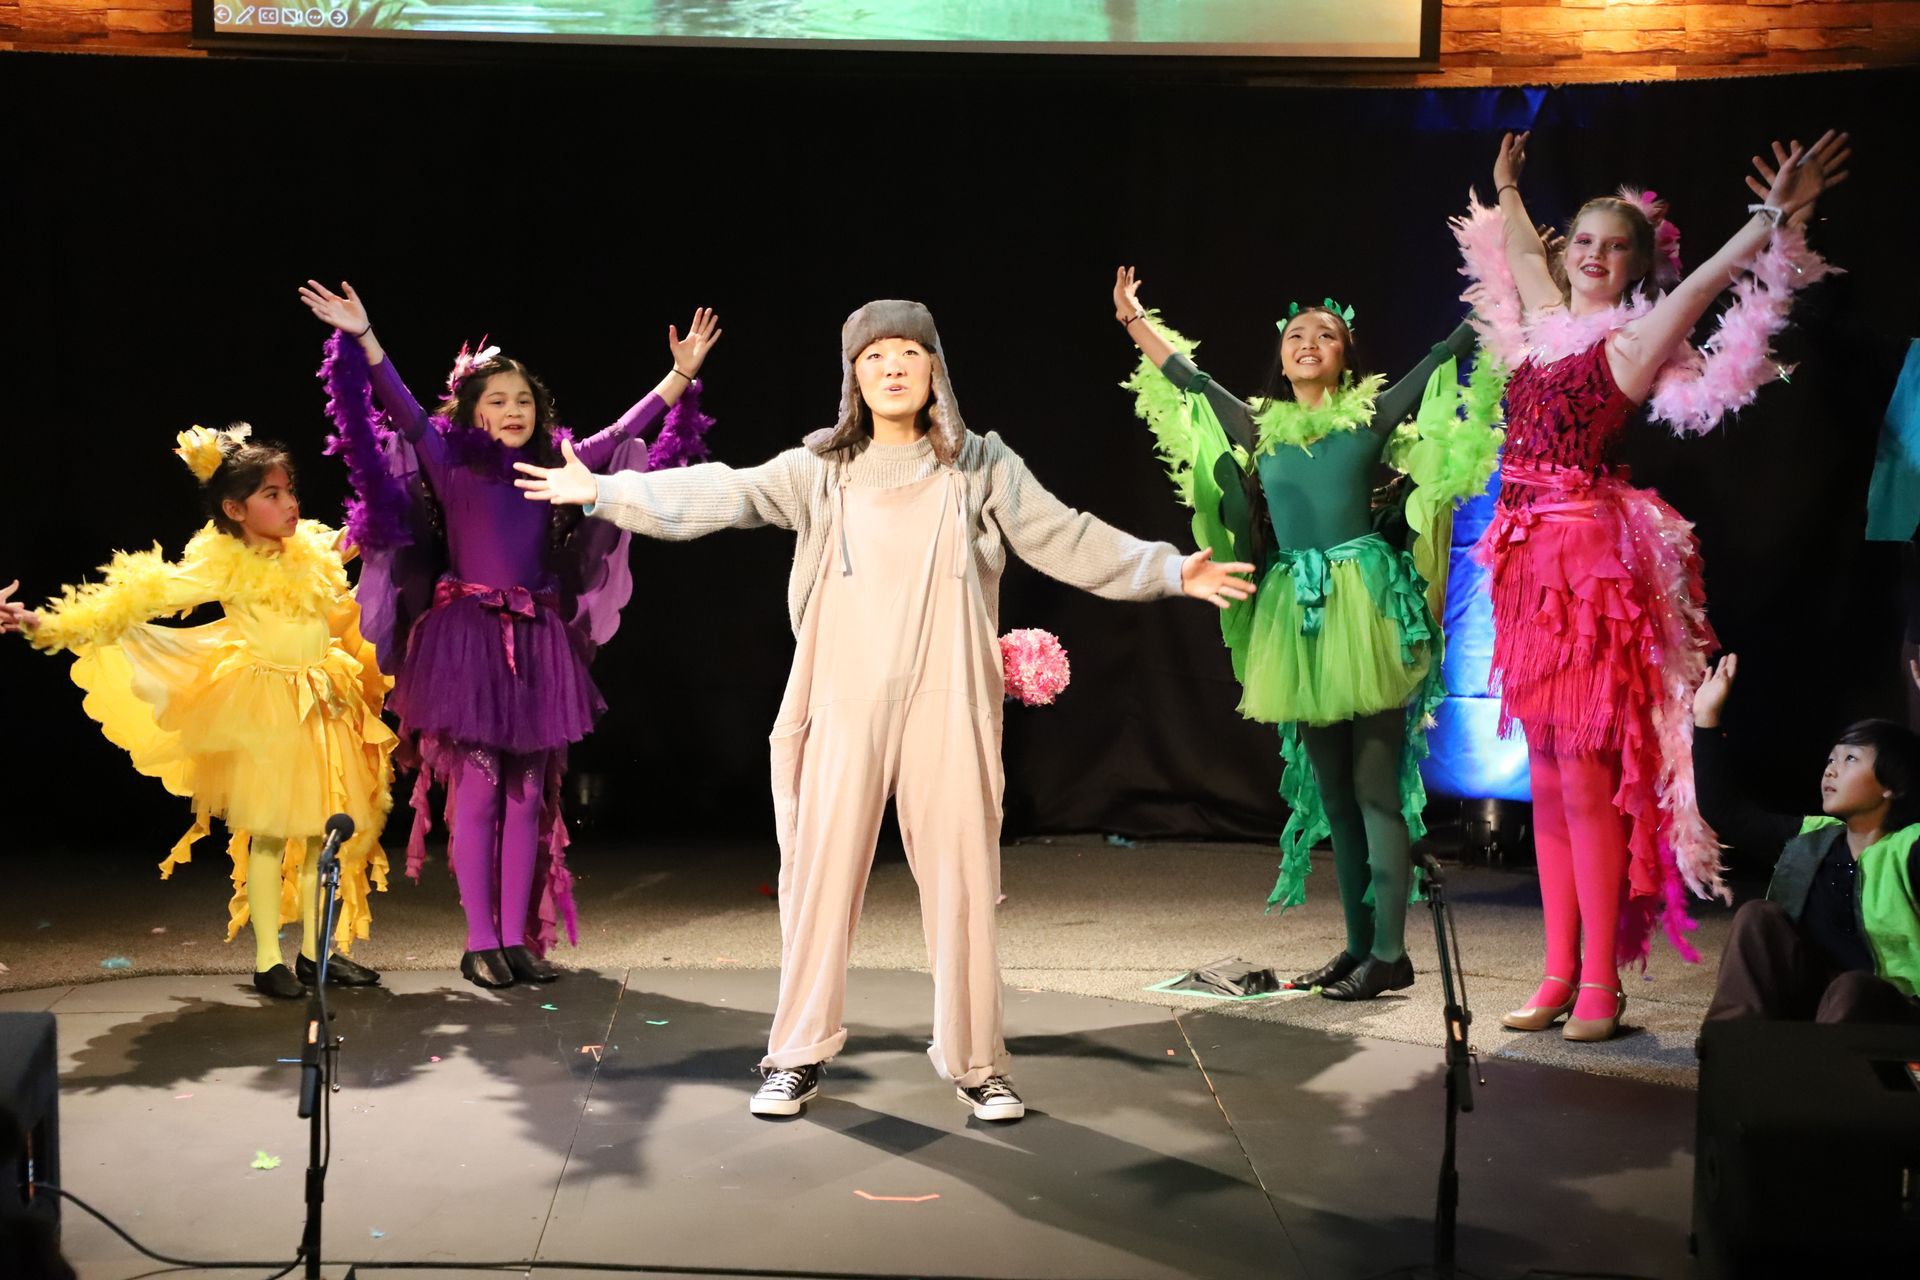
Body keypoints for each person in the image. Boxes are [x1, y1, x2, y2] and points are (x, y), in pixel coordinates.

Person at [514, 299, 1256, 1119]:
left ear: (936, 367)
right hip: (842, 693)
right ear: (853, 377)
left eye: (908, 351)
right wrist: (603, 491)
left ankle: (979, 1063)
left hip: (949, 694)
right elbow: (723, 492)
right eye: (874, 356)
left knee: (964, 881)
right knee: (819, 878)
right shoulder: (819, 468)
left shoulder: (980, 463)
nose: (893, 366)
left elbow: (1063, 534)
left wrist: (1166, 570)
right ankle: (797, 1055)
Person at [1457, 130, 1850, 1041]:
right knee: (1546, 777)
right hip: (1524, 569)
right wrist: (1508, 190)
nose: (1594, 255)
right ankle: (1556, 972)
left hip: (1585, 571)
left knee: (1588, 781)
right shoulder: (1545, 326)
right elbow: (1525, 258)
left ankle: (1601, 981)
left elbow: (1706, 282)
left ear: (1638, 265)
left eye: (1616, 245)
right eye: (1584, 241)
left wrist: (1770, 216)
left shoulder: (1632, 340)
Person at [301, 280, 720, 988]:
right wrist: (365, 336)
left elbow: (622, 432)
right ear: (471, 410)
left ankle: (515, 942)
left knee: (527, 794)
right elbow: (401, 408)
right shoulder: (448, 459)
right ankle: (479, 942)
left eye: (523, 400)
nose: (513, 410)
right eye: (497, 400)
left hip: (534, 640)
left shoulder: (555, 464)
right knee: (481, 790)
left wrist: (679, 376)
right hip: (467, 641)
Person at [1113, 269, 1502, 999]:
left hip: (1367, 610)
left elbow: (1445, 352)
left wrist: (1502, 287)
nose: (1309, 342)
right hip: (1300, 615)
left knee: (1375, 788)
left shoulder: (1372, 418)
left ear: (1346, 358)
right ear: (1281, 355)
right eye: (1296, 334)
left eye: (1327, 334)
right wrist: (1135, 321)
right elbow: (1189, 380)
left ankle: (1390, 950)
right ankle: (1359, 947)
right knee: (1335, 795)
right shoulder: (1258, 427)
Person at [2, 426, 393, 999]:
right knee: (268, 834)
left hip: (323, 701)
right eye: (272, 494)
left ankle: (316, 953)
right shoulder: (221, 564)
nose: (290, 503)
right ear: (235, 509)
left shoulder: (311, 548)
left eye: (290, 491)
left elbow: (360, 531)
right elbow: (141, 599)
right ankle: (268, 960)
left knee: (320, 836)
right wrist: (46, 622)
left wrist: (404, 470)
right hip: (267, 708)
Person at [1693, 654, 1920, 1025]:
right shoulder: (1812, 838)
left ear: (1891, 785)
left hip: (1887, 1014)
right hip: (1813, 1007)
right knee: (1757, 916)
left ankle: (1824, 1060)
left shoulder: (1909, 848)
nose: (1831, 770)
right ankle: (1734, 1044)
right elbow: (1727, 812)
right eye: (1831, 760)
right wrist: (1706, 719)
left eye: (1850, 759)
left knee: (1851, 989)